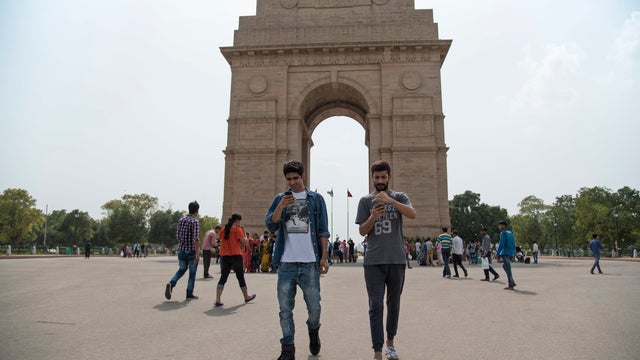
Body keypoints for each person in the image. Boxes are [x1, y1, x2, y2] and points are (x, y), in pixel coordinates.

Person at [265, 160, 330, 360]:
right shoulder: (280, 199)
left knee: (314, 307)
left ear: (303, 177)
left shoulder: (316, 199)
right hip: (286, 263)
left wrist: (324, 257)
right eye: (289, 179)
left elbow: (323, 231)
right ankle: (288, 349)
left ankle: (313, 330)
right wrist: (280, 207)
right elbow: (271, 224)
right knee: (285, 309)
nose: (292, 182)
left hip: (310, 262)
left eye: (295, 178)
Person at [355, 160, 416, 360]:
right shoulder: (365, 201)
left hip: (396, 259)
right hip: (373, 260)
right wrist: (372, 217)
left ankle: (391, 342)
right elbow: (362, 230)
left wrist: (390, 201)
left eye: (383, 177)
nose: (380, 180)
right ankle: (378, 351)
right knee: (375, 305)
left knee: (394, 303)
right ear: (372, 178)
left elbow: (412, 214)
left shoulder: (400, 197)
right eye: (376, 177)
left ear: (389, 177)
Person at [214, 214, 256, 307]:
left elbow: (220, 240)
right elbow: (245, 243)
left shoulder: (223, 229)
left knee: (223, 277)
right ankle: (246, 296)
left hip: (224, 256)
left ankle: (218, 299)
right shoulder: (237, 230)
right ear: (237, 221)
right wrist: (244, 232)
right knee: (240, 277)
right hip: (236, 255)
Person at [165, 201, 201, 301]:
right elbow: (196, 239)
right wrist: (197, 253)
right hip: (191, 251)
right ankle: (189, 293)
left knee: (181, 269)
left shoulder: (181, 220)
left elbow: (178, 235)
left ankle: (172, 283)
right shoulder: (195, 221)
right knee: (192, 273)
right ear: (197, 210)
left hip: (181, 249)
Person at [496, 220, 516, 290]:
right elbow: (514, 243)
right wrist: (514, 252)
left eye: (499, 225)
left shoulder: (503, 233)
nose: (499, 227)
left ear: (503, 225)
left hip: (505, 252)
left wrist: (497, 253)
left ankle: (511, 284)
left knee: (508, 268)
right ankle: (512, 281)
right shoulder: (510, 232)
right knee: (505, 266)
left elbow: (501, 244)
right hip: (510, 252)